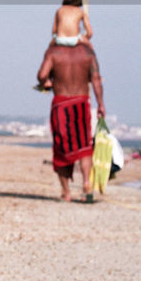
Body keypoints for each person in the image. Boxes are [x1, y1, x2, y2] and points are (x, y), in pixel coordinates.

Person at [37, 39, 106, 202]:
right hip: (81, 101)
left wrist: (45, 82)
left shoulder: (54, 52)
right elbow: (96, 79)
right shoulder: (88, 53)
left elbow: (41, 75)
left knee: (61, 147)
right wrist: (101, 104)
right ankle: (87, 183)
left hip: (61, 102)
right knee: (84, 146)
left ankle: (66, 191)